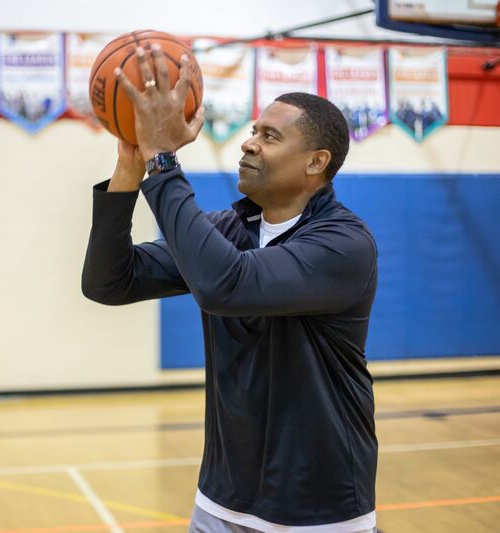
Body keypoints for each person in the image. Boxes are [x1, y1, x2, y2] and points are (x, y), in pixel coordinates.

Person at [82, 44, 378, 533]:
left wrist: (163, 161)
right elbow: (110, 281)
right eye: (252, 131)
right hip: (221, 500)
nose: (249, 143)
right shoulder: (226, 232)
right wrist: (130, 172)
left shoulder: (345, 244)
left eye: (269, 136)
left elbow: (227, 286)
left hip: (320, 511)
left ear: (315, 161)